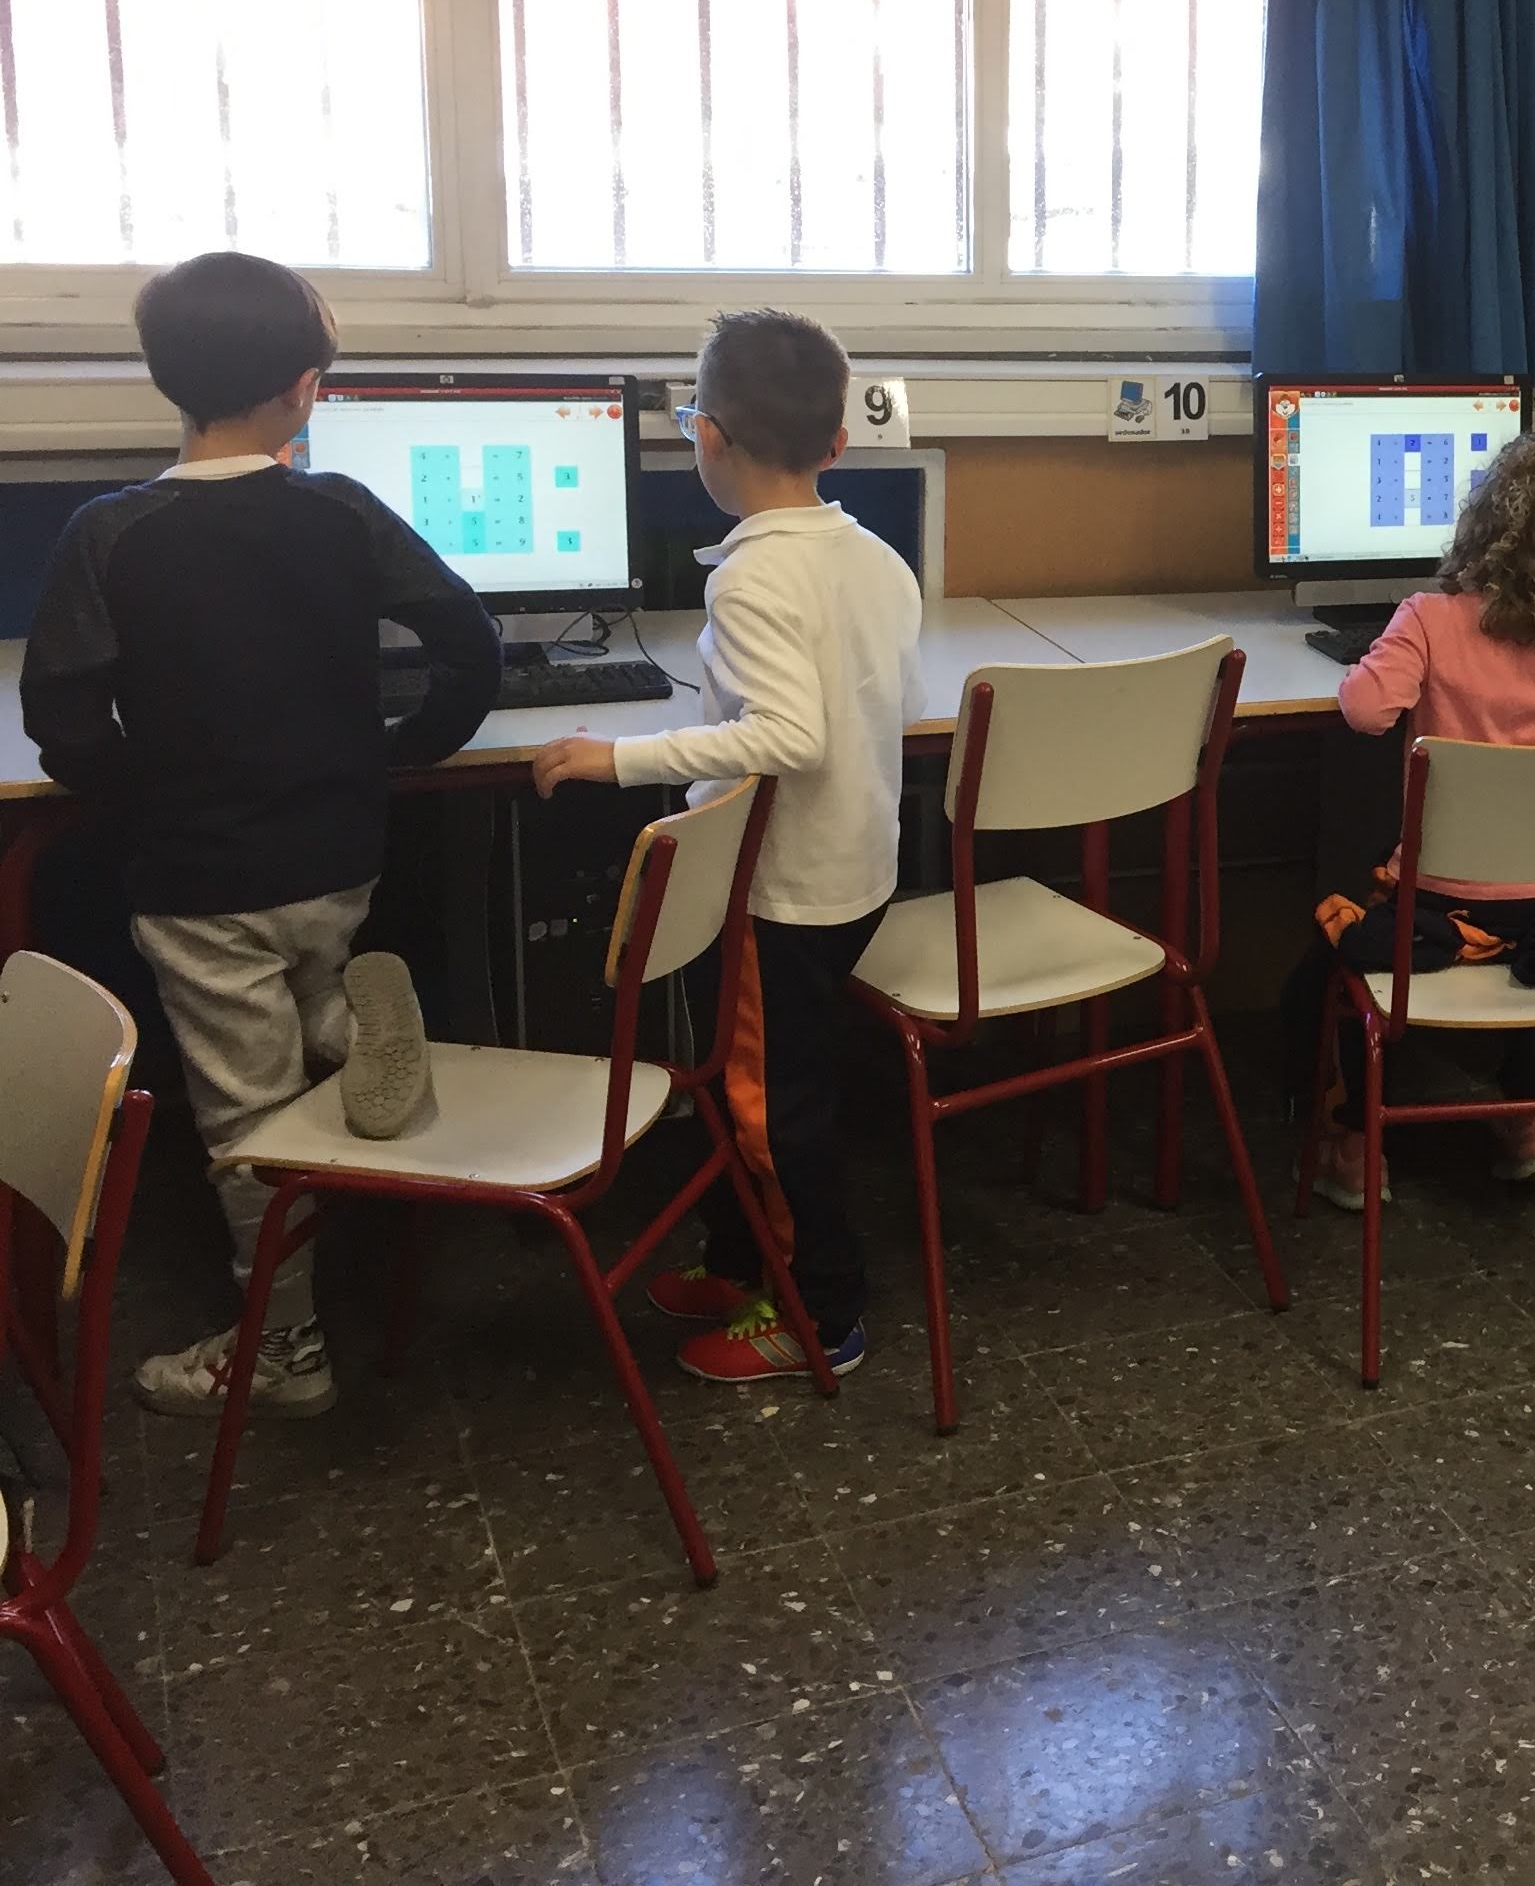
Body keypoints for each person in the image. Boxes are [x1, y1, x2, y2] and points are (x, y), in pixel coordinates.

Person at [20, 251, 500, 1418]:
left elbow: (60, 721)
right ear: (305, 389)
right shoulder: (341, 510)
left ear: (165, 381)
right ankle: (353, 1030)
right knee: (311, 975)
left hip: (202, 880)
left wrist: (146, 789)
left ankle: (284, 1350)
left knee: (245, 1115)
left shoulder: (111, 532)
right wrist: (399, 750)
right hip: (338, 853)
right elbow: (469, 644)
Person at [531, 310, 922, 1384]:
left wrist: (619, 759)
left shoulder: (751, 577)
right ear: (837, 441)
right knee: (772, 1082)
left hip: (780, 893)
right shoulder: (872, 556)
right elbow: (890, 704)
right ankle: (748, 1260)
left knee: (765, 1103)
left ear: (706, 436)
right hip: (854, 871)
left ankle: (820, 1316)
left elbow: (789, 736)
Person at [1303, 434, 1535, 1204]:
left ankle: (1357, 1145)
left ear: (1479, 522)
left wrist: (1377, 659)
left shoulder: (1427, 619)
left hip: (1439, 903)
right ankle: (1532, 1123)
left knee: (1341, 937)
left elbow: (1366, 711)